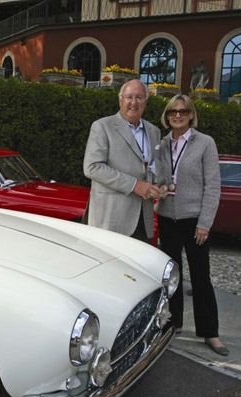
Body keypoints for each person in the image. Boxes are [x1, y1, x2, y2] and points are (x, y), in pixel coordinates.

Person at [155, 95, 228, 355]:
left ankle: (210, 332)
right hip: (167, 217)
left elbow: (213, 186)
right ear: (167, 115)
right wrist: (161, 187)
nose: (178, 115)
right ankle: (173, 325)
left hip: (194, 221)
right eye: (173, 111)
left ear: (191, 114)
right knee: (171, 277)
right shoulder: (162, 144)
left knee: (201, 277)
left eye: (183, 111)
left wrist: (205, 223)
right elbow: (160, 176)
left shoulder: (205, 143)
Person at [83, 79, 163, 242]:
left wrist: (159, 185)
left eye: (139, 97)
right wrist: (135, 185)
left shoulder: (154, 131)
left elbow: (152, 167)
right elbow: (92, 167)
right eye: (129, 97)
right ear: (121, 100)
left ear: (146, 102)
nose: (134, 102)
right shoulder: (102, 126)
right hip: (111, 220)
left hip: (143, 219)